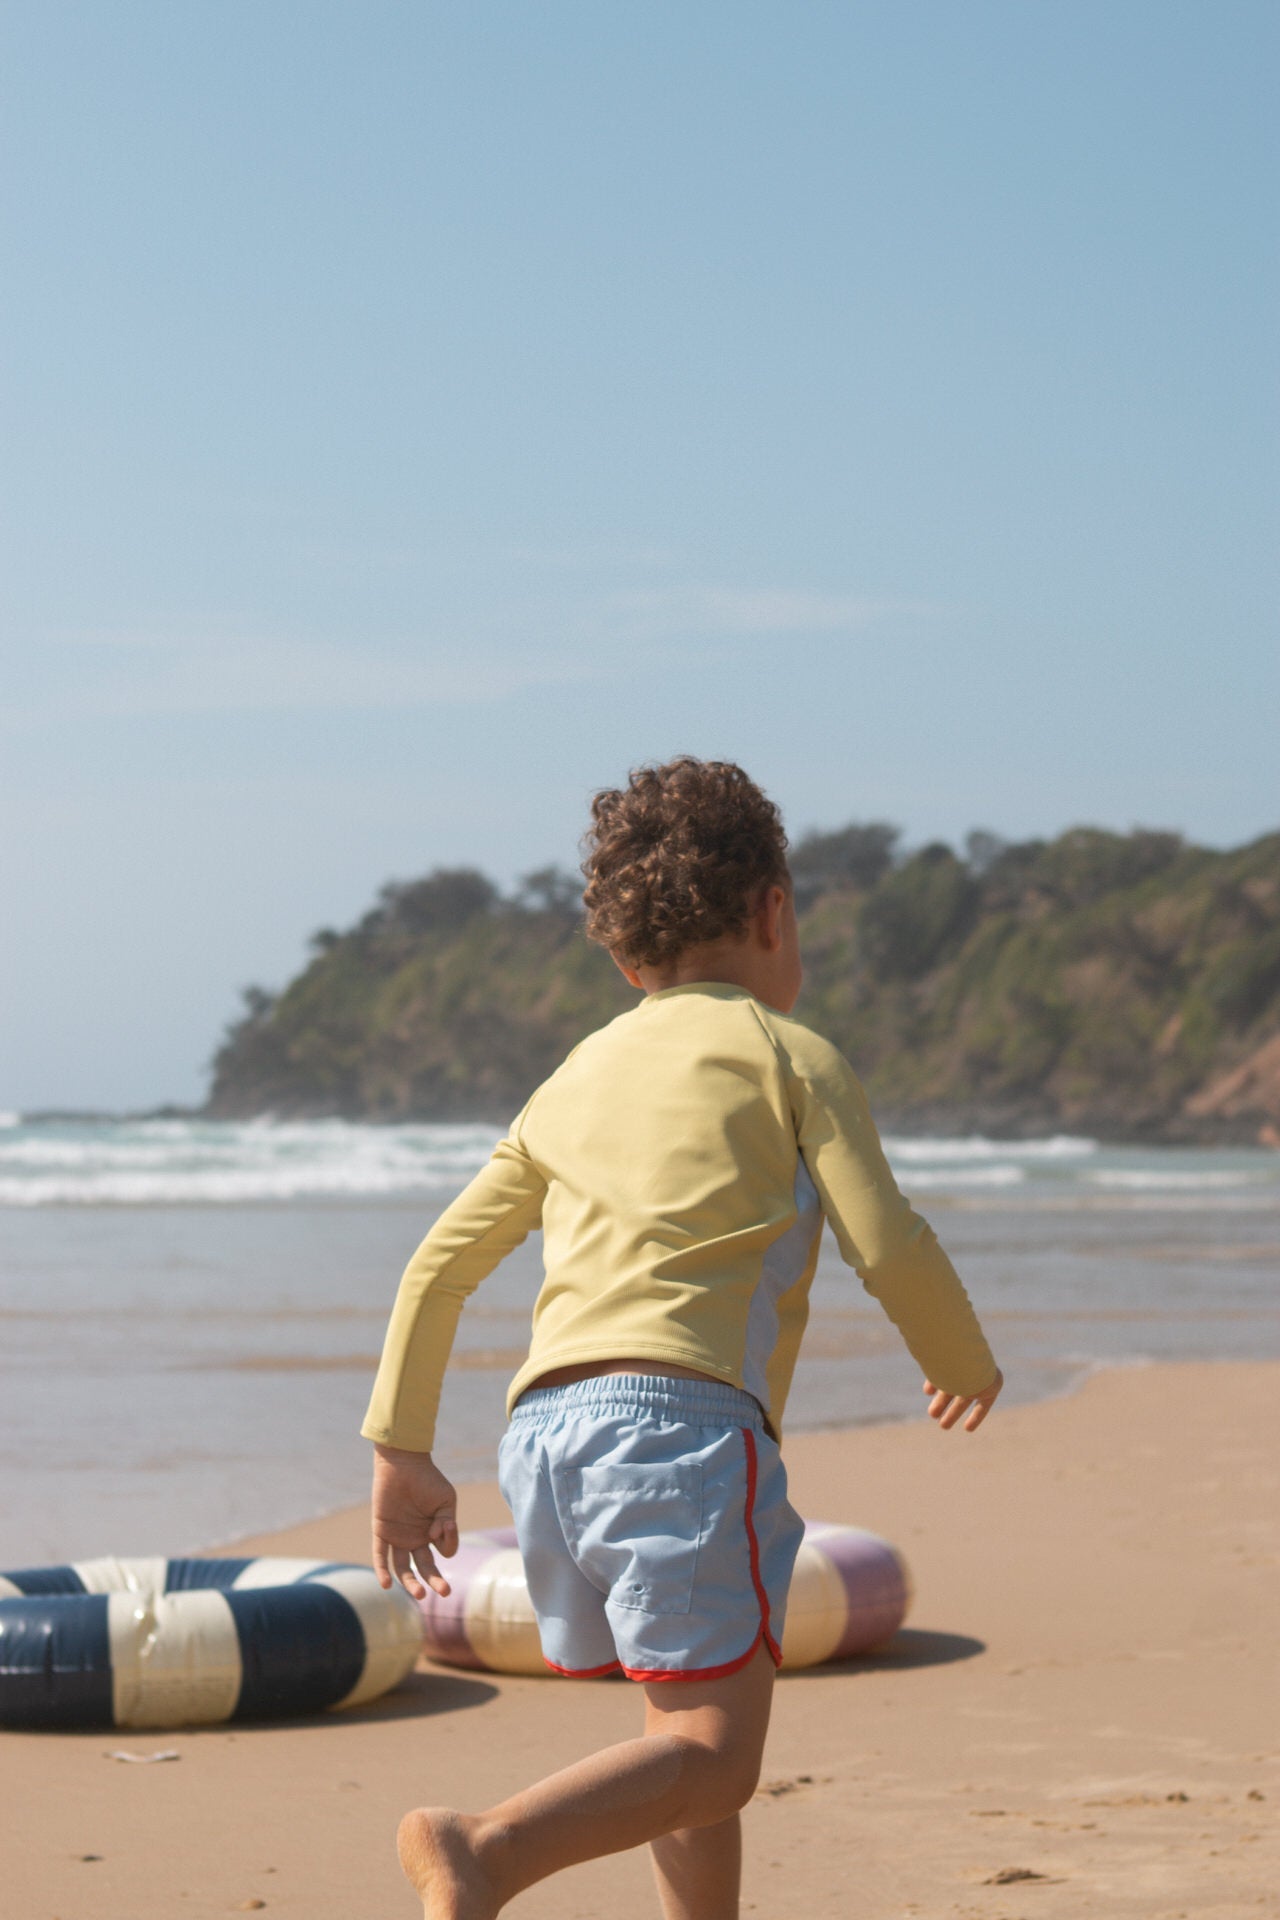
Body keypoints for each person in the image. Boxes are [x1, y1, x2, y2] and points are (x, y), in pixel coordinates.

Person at [362, 756, 1003, 1920]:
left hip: (544, 1437)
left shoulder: (571, 1076)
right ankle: (485, 1846)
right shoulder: (790, 1055)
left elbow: (439, 1267)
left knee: (678, 1734)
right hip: (684, 1432)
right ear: (773, 911)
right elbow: (886, 1239)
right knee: (717, 1750)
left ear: (623, 961)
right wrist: (960, 1358)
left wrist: (402, 1451)